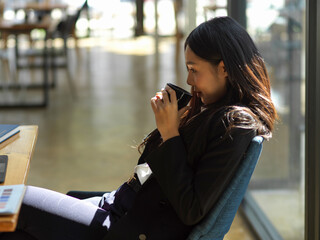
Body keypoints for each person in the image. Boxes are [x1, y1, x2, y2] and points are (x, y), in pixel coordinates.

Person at [1, 16, 277, 240]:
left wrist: (170, 135)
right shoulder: (213, 111)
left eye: (194, 70)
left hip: (126, 226)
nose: (189, 80)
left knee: (12, 202)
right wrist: (172, 129)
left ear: (225, 68)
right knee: (14, 228)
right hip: (120, 206)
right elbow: (150, 174)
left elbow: (192, 208)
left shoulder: (236, 125)